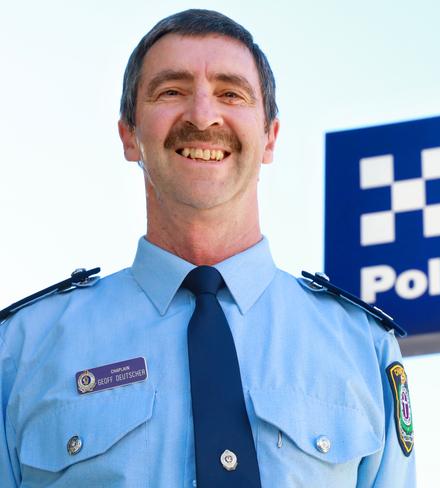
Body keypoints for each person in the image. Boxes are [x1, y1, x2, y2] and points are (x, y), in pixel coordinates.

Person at [0, 9, 415, 487]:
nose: (202, 115)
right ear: (129, 135)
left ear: (270, 138)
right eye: (171, 91)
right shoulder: (22, 349)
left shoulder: (364, 348)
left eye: (231, 93)